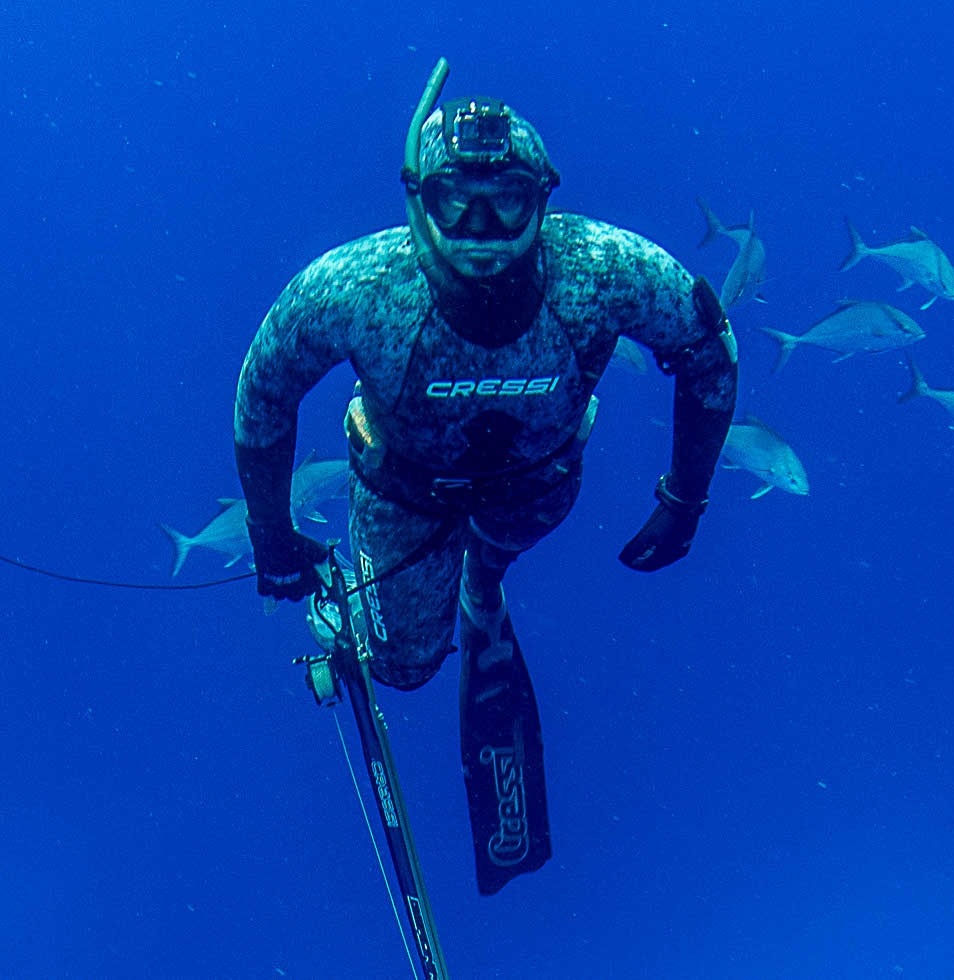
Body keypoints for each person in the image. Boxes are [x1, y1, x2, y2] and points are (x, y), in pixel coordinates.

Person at [232, 67, 736, 893]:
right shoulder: (357, 289)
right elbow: (263, 394)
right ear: (415, 199)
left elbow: (708, 350)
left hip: (536, 491)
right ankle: (379, 599)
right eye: (454, 202)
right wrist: (273, 540)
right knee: (402, 666)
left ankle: (484, 578)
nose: (480, 228)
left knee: (498, 552)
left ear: (544, 198)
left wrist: (685, 499)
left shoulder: (602, 271)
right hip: (406, 502)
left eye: (505, 201)